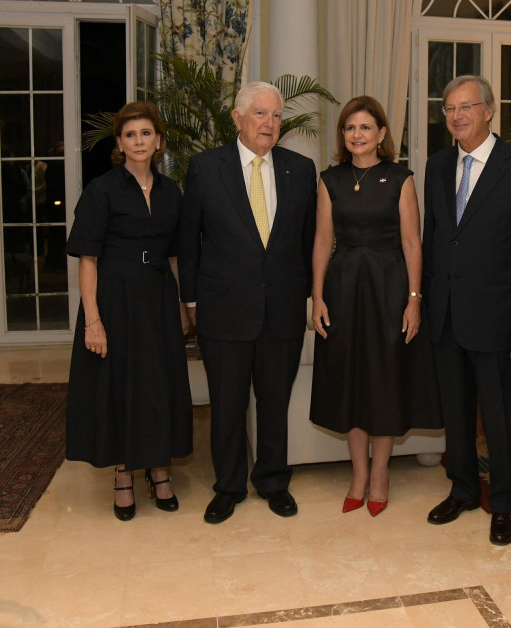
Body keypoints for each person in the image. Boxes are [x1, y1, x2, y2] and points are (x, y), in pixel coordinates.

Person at [179, 82, 316, 524]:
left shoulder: (301, 168)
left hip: (283, 310)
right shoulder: (205, 167)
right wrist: (191, 303)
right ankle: (229, 487)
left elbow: (309, 241)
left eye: (276, 116)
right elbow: (189, 241)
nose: (270, 123)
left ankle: (274, 482)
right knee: (228, 404)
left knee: (274, 403)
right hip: (223, 309)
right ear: (237, 118)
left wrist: (312, 296)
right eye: (260, 114)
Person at [423, 75, 511, 545]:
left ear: (489, 111)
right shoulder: (437, 166)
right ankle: (461, 488)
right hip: (447, 314)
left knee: (499, 415)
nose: (457, 116)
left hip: (499, 317)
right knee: (455, 413)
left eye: (467, 107)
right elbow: (434, 240)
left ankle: (504, 503)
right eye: (450, 108)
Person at [310, 96, 441, 517]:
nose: (357, 135)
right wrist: (317, 297)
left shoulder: (401, 178)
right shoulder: (329, 180)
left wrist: (414, 300)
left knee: (384, 381)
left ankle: (381, 474)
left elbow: (412, 243)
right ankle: (359, 473)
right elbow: (321, 242)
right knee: (350, 381)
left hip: (390, 289)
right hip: (344, 290)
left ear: (382, 134)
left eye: (365, 128)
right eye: (350, 128)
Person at [66, 101, 193, 521]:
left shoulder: (171, 191)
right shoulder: (102, 190)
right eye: (129, 135)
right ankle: (123, 473)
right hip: (115, 300)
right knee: (120, 385)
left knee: (159, 384)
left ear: (158, 141)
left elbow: (175, 254)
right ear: (119, 143)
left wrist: (181, 305)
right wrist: (93, 319)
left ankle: (159, 471)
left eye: (146, 133)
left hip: (158, 298)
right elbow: (88, 258)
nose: (138, 141)